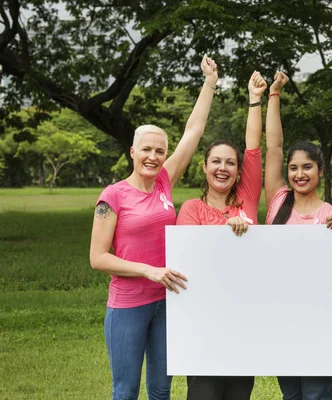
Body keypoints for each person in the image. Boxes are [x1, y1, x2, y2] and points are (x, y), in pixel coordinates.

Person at [89, 55, 218, 400]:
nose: (154, 156)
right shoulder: (113, 195)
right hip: (128, 306)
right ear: (132, 151)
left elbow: (193, 132)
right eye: (146, 149)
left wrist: (209, 83)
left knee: (162, 390)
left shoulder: (163, 183)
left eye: (159, 151)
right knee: (126, 390)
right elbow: (98, 258)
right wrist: (149, 270)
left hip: (167, 303)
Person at [176, 70, 267, 400]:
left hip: (244, 317)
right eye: (216, 161)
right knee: (204, 392)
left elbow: (253, 148)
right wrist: (224, 231)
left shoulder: (246, 199)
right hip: (204, 319)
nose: (223, 168)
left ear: (239, 171)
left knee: (239, 393)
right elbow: (190, 258)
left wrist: (255, 99)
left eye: (230, 162)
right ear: (204, 166)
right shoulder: (190, 210)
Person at [265, 71, 332, 400]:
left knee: (315, 394)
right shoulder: (277, 201)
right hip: (281, 317)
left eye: (307, 167)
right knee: (291, 395)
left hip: (320, 321)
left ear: (320, 169)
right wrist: (274, 95)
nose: (299, 174)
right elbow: (273, 148)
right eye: (293, 168)